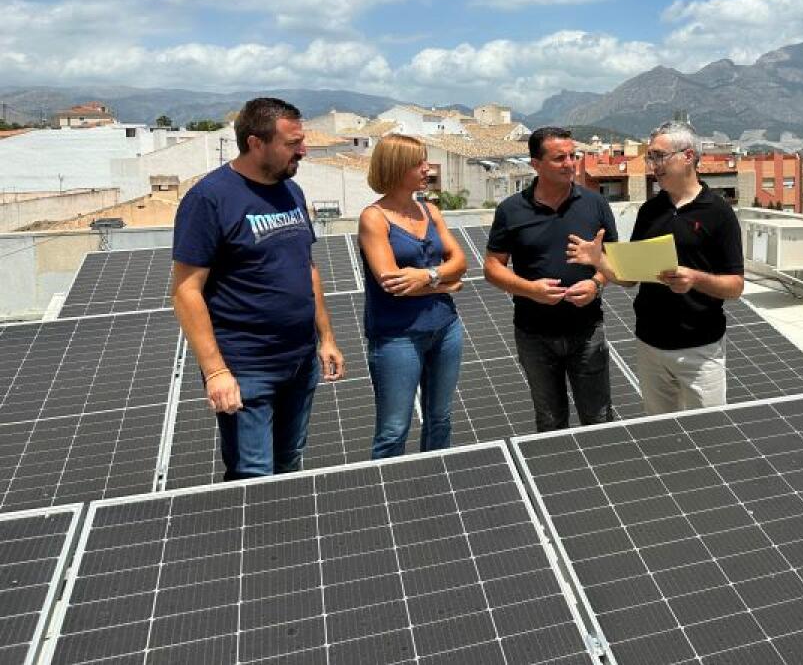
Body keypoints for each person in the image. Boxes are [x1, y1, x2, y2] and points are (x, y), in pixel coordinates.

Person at [171, 97, 345, 480]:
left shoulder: (291, 191)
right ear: (255, 143)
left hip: (299, 362)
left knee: (289, 461)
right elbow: (186, 290)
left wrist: (326, 337)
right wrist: (216, 371)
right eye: (292, 143)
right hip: (247, 366)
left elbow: (307, 267)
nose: (303, 149)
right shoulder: (210, 199)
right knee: (253, 475)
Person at [567, 120, 743, 414]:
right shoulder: (650, 211)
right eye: (651, 157)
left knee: (711, 431)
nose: (653, 165)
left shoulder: (719, 213)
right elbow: (630, 278)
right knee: (660, 433)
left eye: (659, 156)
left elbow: (735, 286)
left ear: (688, 156)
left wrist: (695, 279)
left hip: (700, 349)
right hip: (650, 345)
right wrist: (599, 260)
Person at [485, 127, 618, 431]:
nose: (570, 163)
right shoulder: (511, 210)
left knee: (598, 418)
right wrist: (529, 289)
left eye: (573, 156)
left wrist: (596, 283)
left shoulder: (595, 204)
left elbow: (614, 262)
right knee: (550, 420)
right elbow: (492, 266)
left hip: (587, 331)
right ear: (536, 164)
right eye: (560, 158)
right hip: (534, 335)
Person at [358, 134, 467, 457]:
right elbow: (391, 283)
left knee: (440, 419)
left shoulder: (430, 211)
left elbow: (460, 262)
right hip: (397, 337)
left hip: (445, 328)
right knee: (393, 430)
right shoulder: (373, 218)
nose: (426, 168)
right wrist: (445, 284)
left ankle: (435, 481)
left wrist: (427, 275)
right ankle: (389, 496)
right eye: (418, 163)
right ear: (396, 167)